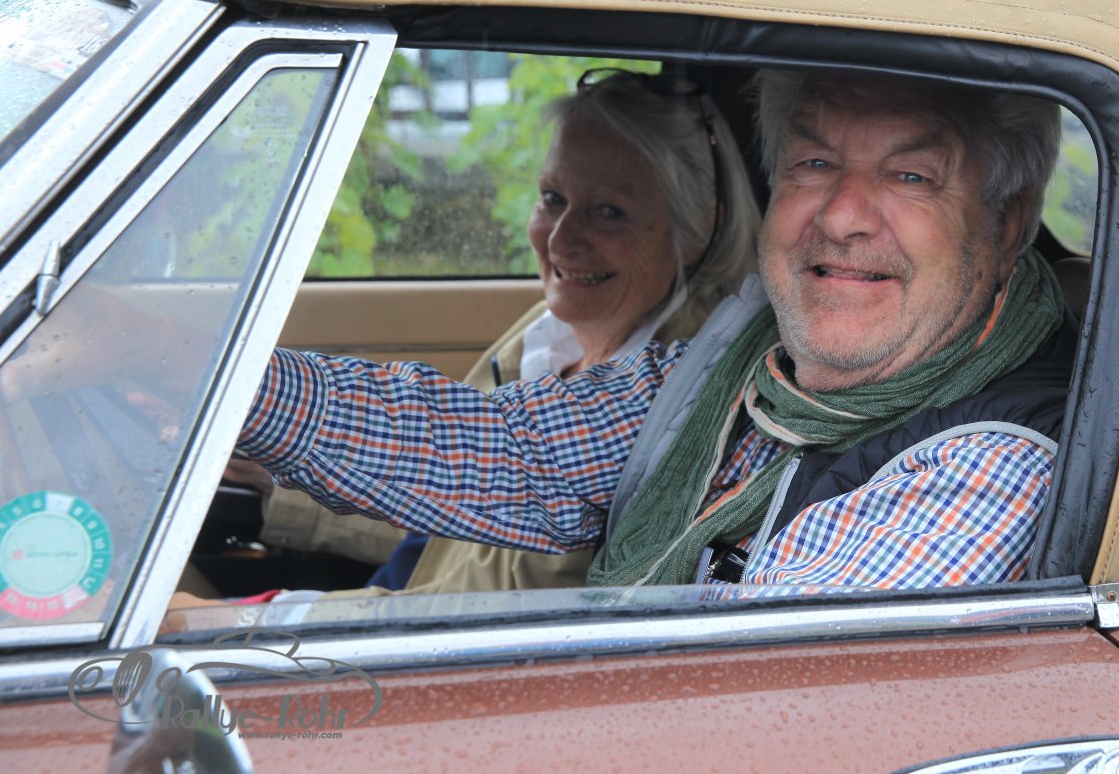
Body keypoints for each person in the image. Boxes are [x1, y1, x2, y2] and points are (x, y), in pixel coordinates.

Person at [236, 70, 1074, 589]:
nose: (843, 215)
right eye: (815, 163)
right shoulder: (745, 371)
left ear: (1006, 224)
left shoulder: (989, 462)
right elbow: (512, 450)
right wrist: (232, 386)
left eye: (912, 175)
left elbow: (758, 699)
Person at [256, 66, 761, 594]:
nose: (560, 241)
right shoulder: (543, 331)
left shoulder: (676, 404)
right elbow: (450, 512)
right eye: (553, 198)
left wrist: (268, 615)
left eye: (609, 212)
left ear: (699, 226)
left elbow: (496, 607)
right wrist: (273, 491)